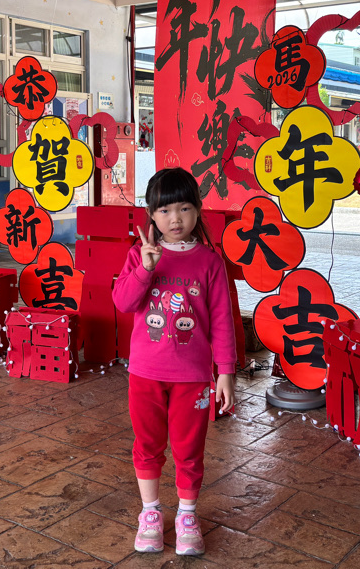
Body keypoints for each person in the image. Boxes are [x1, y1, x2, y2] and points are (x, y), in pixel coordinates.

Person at [112, 167, 236, 556]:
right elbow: (123, 302)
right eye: (165, 210)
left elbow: (223, 322)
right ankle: (150, 512)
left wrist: (226, 373)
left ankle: (186, 515)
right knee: (147, 444)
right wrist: (146, 268)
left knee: (189, 448)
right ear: (151, 215)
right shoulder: (139, 255)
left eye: (184, 208)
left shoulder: (210, 263)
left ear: (197, 210)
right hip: (145, 374)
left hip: (192, 378)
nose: (175, 219)